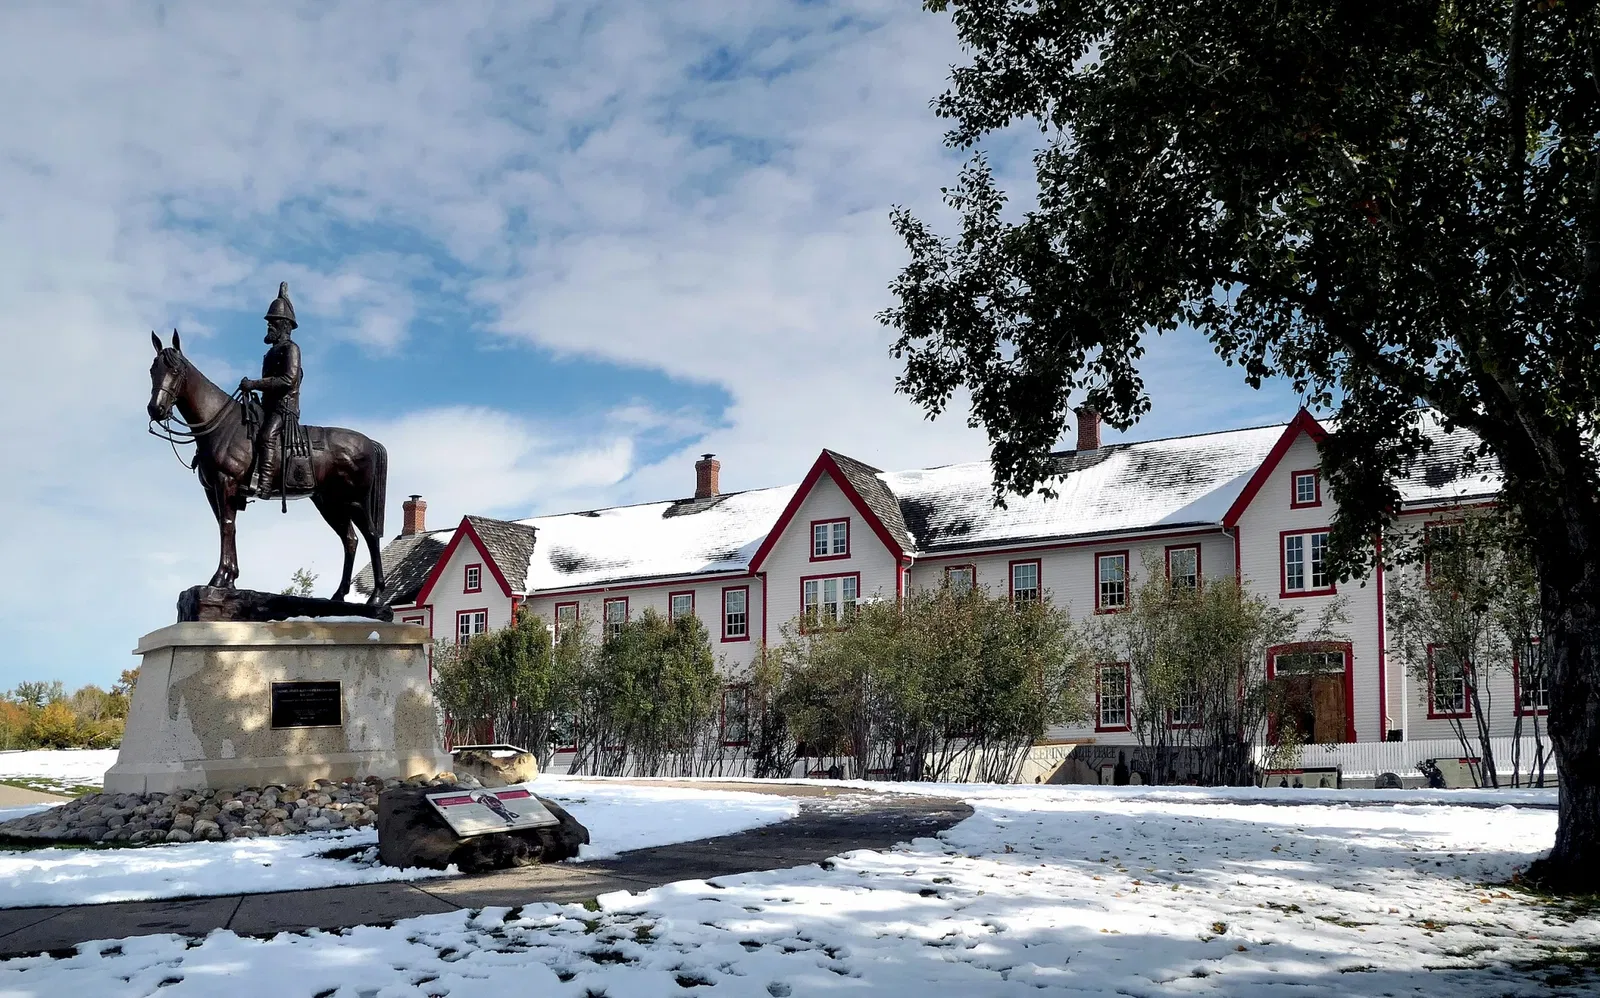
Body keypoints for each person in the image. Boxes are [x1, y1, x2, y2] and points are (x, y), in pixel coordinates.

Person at [239, 282, 303, 497]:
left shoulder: (291, 349)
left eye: (273, 323)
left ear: (285, 325)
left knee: (267, 436)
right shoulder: (270, 354)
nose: (269, 327)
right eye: (269, 323)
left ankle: (264, 484)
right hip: (267, 407)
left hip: (283, 409)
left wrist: (254, 384)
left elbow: (288, 380)